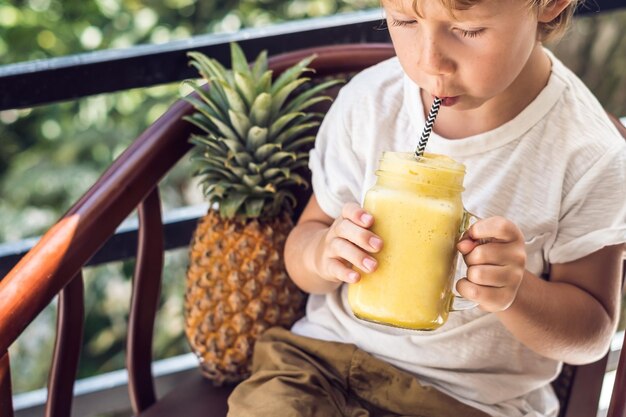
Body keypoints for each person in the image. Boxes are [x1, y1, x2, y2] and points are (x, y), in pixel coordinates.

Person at [227, 0, 626, 415]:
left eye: (468, 30)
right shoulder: (368, 105)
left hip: (466, 401)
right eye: (403, 21)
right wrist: (322, 252)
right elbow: (303, 251)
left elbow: (591, 335)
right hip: (320, 364)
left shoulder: (589, 155)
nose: (430, 61)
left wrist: (517, 292)